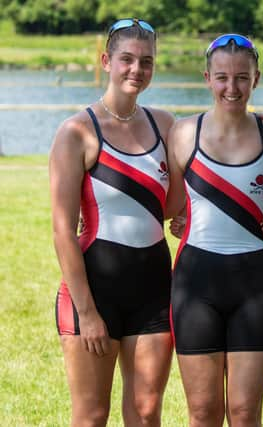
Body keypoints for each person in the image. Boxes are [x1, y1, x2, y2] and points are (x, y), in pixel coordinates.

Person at [165, 33, 263, 426]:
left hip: (253, 284)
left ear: (256, 79)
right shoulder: (182, 133)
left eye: (242, 77)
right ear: (207, 78)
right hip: (196, 282)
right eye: (222, 77)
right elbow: (173, 204)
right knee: (203, 412)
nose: (232, 87)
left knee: (245, 413)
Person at [49, 18, 174, 426]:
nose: (136, 69)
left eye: (147, 61)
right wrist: (87, 312)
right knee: (92, 416)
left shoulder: (166, 125)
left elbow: (174, 201)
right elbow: (62, 230)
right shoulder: (76, 132)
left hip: (155, 291)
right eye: (126, 59)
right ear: (106, 60)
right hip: (95, 292)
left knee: (145, 413)